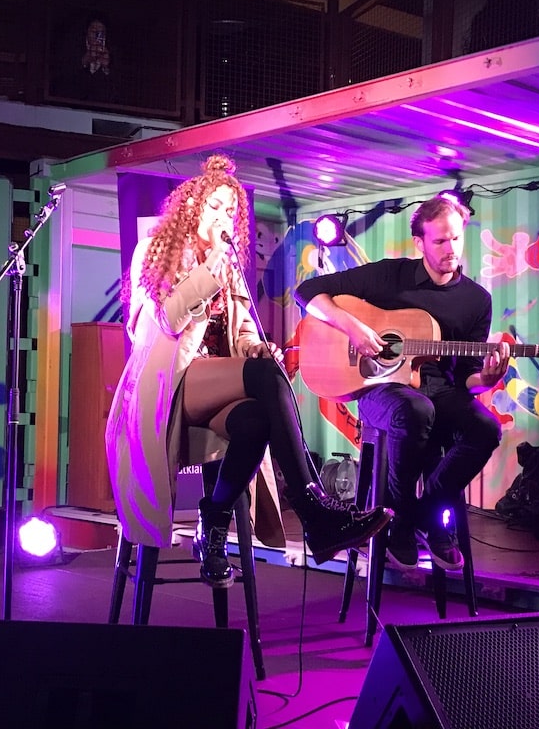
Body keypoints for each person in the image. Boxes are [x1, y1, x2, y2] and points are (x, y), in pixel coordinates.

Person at [105, 154, 390, 589]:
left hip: (216, 385)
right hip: (171, 383)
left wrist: (258, 346)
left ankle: (214, 519)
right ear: (192, 208)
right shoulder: (159, 250)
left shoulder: (228, 264)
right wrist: (205, 276)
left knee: (256, 418)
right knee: (264, 379)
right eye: (215, 207)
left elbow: (240, 330)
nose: (223, 218)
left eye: (231, 212)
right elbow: (165, 323)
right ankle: (315, 512)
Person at [295, 194, 511, 571]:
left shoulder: (477, 300)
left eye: (456, 239)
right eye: (440, 241)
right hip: (380, 388)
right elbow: (307, 293)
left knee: (485, 428)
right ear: (420, 243)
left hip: (441, 392)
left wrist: (487, 379)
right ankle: (402, 520)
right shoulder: (388, 275)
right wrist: (355, 327)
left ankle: (415, 517)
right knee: (415, 408)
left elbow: (468, 379)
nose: (450, 249)